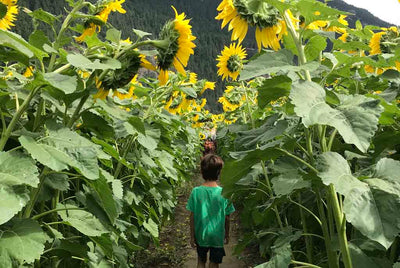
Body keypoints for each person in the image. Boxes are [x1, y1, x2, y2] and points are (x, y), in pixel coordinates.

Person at [186, 154, 235, 268]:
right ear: (219, 172)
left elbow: (192, 216)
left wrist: (192, 236)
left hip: (201, 234)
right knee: (214, 263)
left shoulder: (196, 192)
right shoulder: (224, 193)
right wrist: (227, 234)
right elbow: (227, 217)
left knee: (201, 261)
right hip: (217, 235)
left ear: (202, 172)